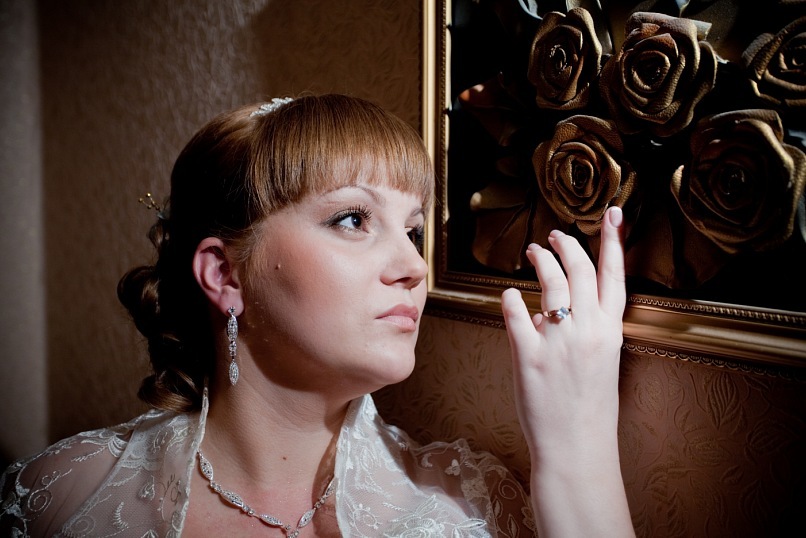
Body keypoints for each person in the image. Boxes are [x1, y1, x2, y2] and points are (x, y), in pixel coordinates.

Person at [0, 94, 633, 537]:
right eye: (354, 219)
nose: (414, 267)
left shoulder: (471, 507)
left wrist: (576, 447)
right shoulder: (64, 500)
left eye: (413, 231)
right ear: (226, 275)